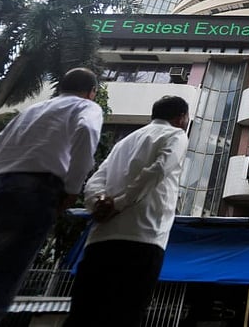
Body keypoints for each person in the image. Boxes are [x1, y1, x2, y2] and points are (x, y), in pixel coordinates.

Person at [0, 68, 103, 327]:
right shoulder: (86, 107)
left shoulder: (31, 111)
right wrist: (72, 189)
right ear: (91, 92)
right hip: (35, 192)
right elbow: (87, 131)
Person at [64, 95, 190, 327]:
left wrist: (98, 203)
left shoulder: (124, 142)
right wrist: (119, 203)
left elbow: (95, 181)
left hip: (100, 239)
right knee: (125, 314)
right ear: (181, 117)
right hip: (143, 237)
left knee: (83, 314)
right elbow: (158, 169)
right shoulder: (176, 135)